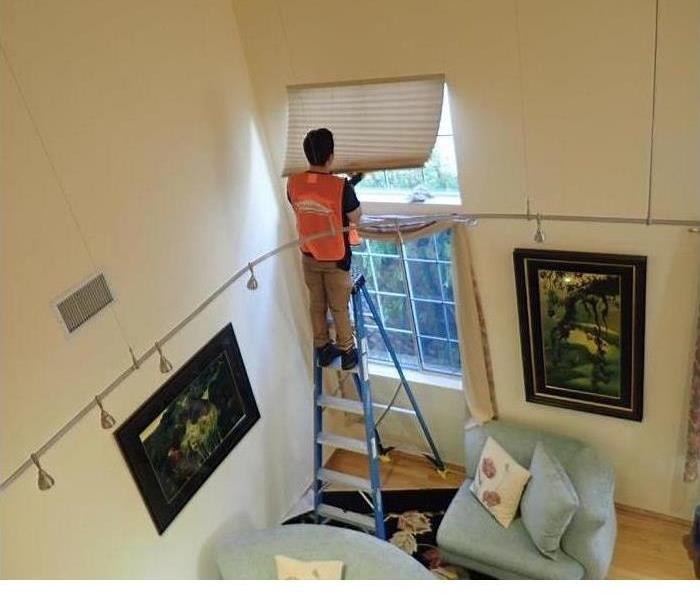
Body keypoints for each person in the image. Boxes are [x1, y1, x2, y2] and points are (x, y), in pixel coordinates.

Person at [287, 128, 362, 370]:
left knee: (317, 304)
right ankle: (347, 351)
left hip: (309, 255)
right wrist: (351, 188)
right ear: (330, 156)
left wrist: (347, 186)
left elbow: (311, 196)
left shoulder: (294, 183)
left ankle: (322, 349)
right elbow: (356, 217)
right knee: (339, 306)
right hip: (335, 257)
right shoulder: (341, 188)